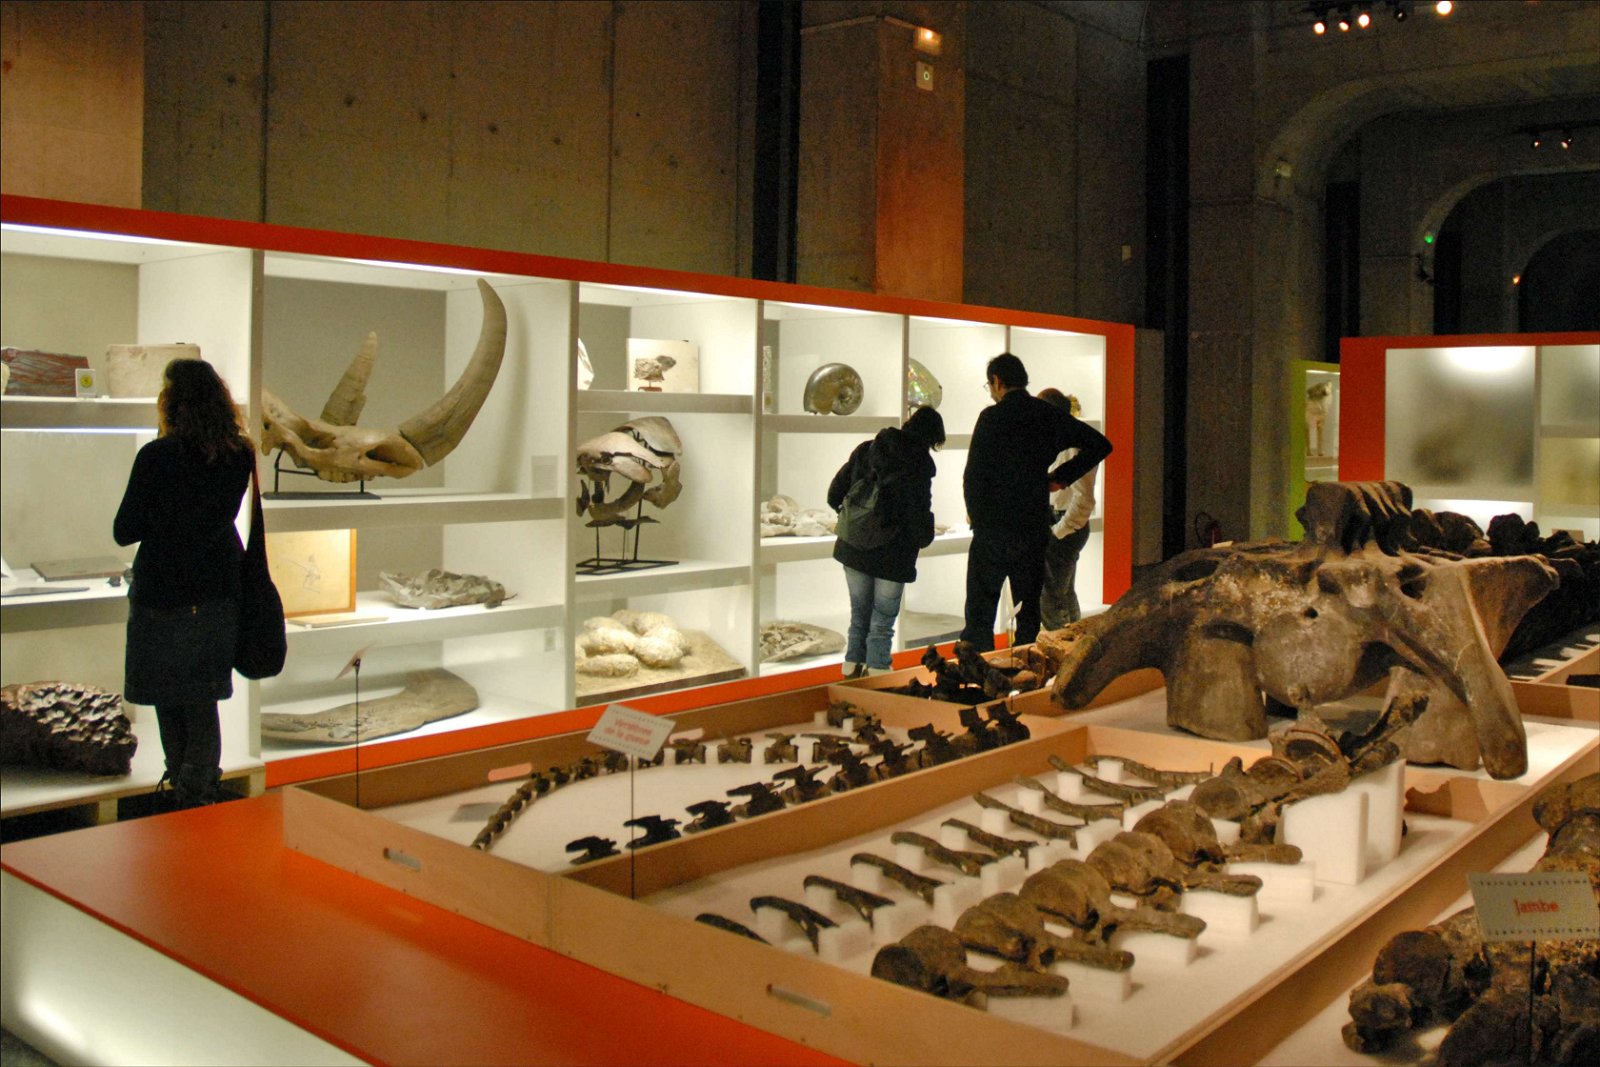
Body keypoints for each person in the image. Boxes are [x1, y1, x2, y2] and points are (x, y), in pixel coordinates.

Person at [114, 359, 255, 808]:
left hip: (160, 592)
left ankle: (183, 795)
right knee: (200, 702)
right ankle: (197, 799)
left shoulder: (156, 456)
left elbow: (125, 529)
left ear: (171, 401)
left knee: (166, 700)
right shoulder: (239, 454)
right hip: (215, 593)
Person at [961, 353, 1110, 650]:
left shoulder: (991, 417)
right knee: (1029, 612)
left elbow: (973, 476)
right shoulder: (1046, 414)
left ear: (997, 381)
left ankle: (981, 672)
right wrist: (1061, 477)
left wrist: (978, 519)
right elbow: (1100, 444)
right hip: (1032, 526)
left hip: (993, 527)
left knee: (981, 612)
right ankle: (1026, 670)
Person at [827, 405, 946, 677]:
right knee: (881, 622)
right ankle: (879, 677)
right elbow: (918, 514)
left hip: (853, 548)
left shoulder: (868, 449)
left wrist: (859, 519)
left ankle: (850, 674)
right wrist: (924, 535)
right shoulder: (919, 466)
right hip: (894, 554)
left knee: (859, 617)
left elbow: (834, 493)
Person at [1037, 388, 1101, 628]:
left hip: (1065, 525)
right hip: (1063, 523)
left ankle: (1061, 648)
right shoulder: (1062, 439)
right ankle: (1071, 643)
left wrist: (1060, 531)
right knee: (1061, 593)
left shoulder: (1074, 443)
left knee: (1052, 597)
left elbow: (1084, 498)